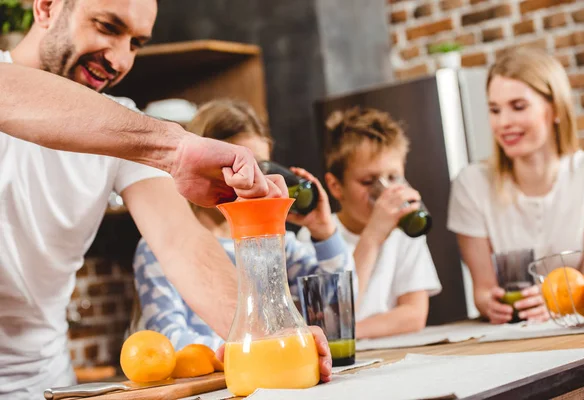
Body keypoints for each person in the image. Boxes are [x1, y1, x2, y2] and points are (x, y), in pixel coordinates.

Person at [0, 1, 330, 397]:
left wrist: (267, 332)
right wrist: (173, 148)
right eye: (107, 27)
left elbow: (182, 242)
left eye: (136, 43)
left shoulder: (122, 128)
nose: (120, 59)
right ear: (47, 8)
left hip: (46, 384)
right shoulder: (138, 136)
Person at [132, 100, 353, 359]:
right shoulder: (156, 247)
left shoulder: (274, 242)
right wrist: (258, 348)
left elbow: (336, 303)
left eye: (263, 168)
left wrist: (324, 230)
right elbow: (169, 337)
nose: (256, 182)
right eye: (241, 166)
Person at [447, 48, 584, 324]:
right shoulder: (471, 185)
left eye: (518, 106)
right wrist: (488, 303)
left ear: (555, 109)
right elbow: (482, 290)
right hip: (512, 334)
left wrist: (557, 302)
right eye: (495, 110)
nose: (503, 123)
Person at [318, 107, 442, 339]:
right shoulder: (318, 235)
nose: (384, 192)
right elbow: (335, 315)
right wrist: (372, 237)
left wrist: (348, 332)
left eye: (393, 178)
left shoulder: (404, 229)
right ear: (335, 186)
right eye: (368, 181)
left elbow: (414, 314)